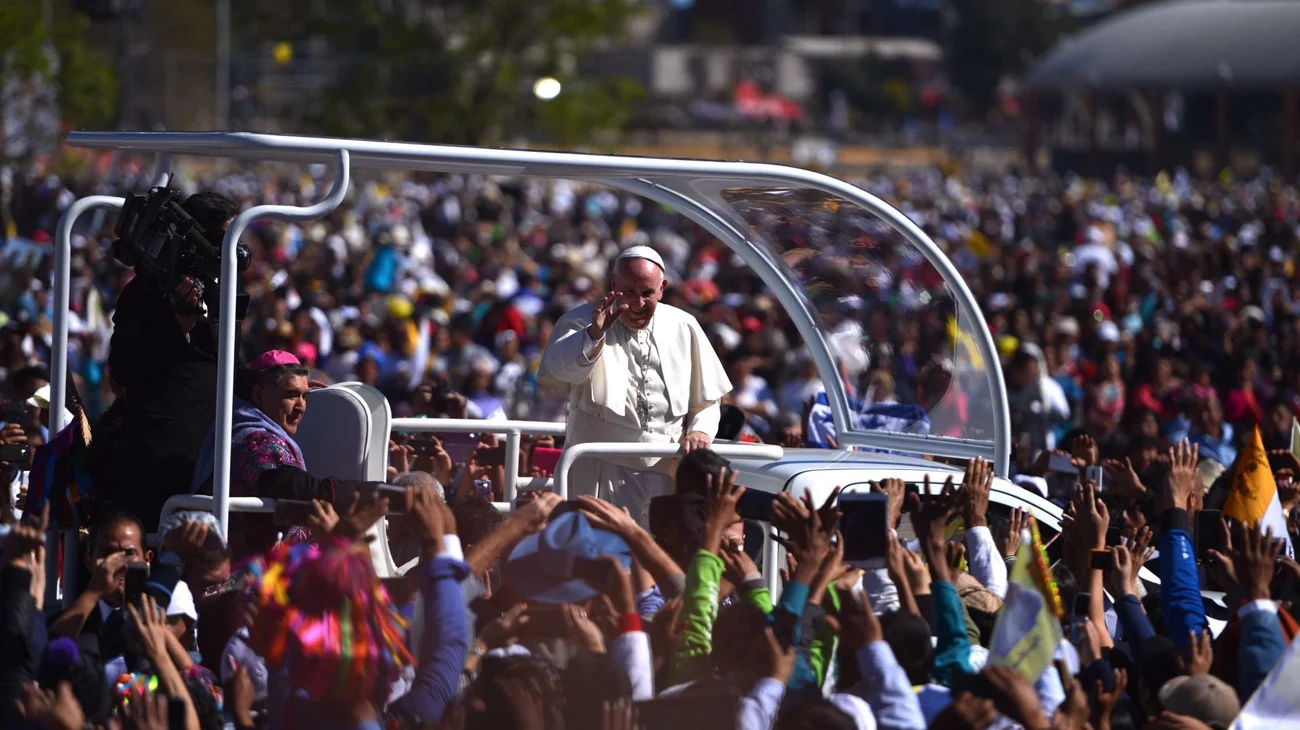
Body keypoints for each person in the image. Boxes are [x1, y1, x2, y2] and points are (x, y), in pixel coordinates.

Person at [537, 246, 732, 525]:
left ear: (662, 289)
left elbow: (707, 399)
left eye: (647, 293)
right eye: (629, 292)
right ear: (613, 284)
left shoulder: (684, 326)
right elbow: (559, 373)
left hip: (667, 473)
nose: (638, 303)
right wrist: (594, 335)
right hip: (600, 471)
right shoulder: (581, 320)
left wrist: (700, 429)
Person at [100, 191, 240, 531]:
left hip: (207, 460)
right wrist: (178, 323)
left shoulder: (219, 290)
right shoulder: (146, 291)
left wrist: (276, 382)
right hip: (156, 461)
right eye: (225, 238)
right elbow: (123, 368)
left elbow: (227, 369)